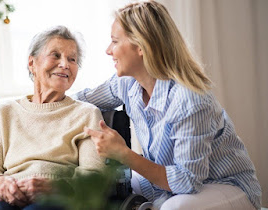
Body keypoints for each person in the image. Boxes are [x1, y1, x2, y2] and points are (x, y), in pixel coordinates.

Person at [77, 1, 261, 209]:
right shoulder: (126, 83)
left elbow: (187, 181)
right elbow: (82, 100)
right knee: (107, 186)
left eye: (115, 41)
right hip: (168, 185)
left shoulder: (189, 99)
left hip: (224, 185)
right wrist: (41, 96)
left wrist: (123, 154)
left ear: (141, 46)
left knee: (174, 207)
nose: (108, 50)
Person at [0, 26, 105, 210]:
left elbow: (94, 177)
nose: (65, 64)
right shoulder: (3, 112)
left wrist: (56, 188)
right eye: (55, 55)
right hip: (8, 196)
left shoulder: (87, 114)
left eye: (72, 59)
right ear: (32, 63)